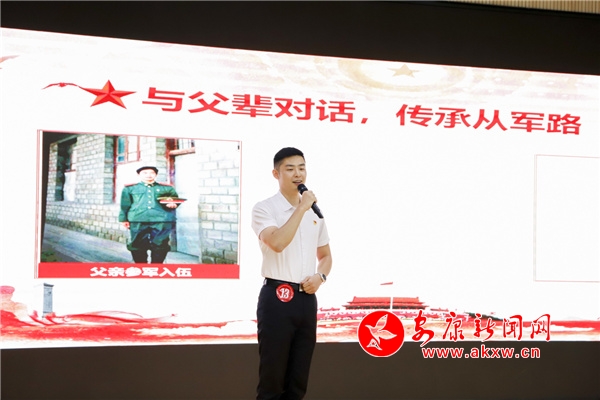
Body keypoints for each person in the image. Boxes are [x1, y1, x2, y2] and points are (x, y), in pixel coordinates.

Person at [251, 147, 333, 400]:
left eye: (302, 168)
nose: (298, 174)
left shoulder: (315, 214)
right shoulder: (265, 208)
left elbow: (326, 256)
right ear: (276, 173)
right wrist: (301, 208)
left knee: (298, 381)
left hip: (306, 300)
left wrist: (320, 277)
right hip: (277, 297)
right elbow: (277, 242)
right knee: (273, 380)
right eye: (290, 169)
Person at [119, 166, 180, 263]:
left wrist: (173, 204)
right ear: (139, 175)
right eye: (145, 173)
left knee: (161, 245)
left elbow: (175, 200)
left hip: (161, 220)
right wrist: (123, 219)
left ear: (156, 175)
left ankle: (156, 267)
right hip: (138, 219)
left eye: (152, 173)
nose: (148, 175)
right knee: (137, 244)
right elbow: (125, 205)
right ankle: (141, 266)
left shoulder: (166, 188)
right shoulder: (130, 188)